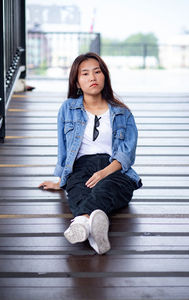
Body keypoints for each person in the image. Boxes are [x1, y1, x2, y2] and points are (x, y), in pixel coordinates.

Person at [38, 52, 142, 255]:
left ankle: (81, 223)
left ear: (105, 76)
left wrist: (104, 172)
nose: (92, 78)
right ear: (77, 82)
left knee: (107, 188)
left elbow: (126, 154)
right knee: (77, 190)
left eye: (97, 72)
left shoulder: (123, 112)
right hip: (80, 167)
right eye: (85, 74)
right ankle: (93, 232)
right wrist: (61, 179)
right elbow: (63, 147)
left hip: (114, 168)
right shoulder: (68, 109)